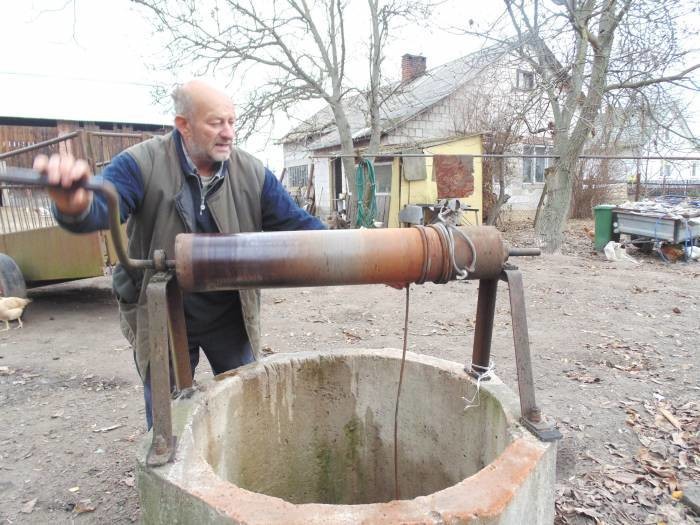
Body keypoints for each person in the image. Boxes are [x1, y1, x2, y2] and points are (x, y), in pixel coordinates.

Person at [34, 79, 325, 428]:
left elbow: (301, 227)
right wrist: (74, 203)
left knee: (243, 406)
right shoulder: (139, 164)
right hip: (161, 311)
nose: (228, 132)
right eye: (216, 122)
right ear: (183, 125)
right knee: (166, 418)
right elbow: (100, 209)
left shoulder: (252, 173)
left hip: (227, 316)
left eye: (232, 121)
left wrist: (379, 256)